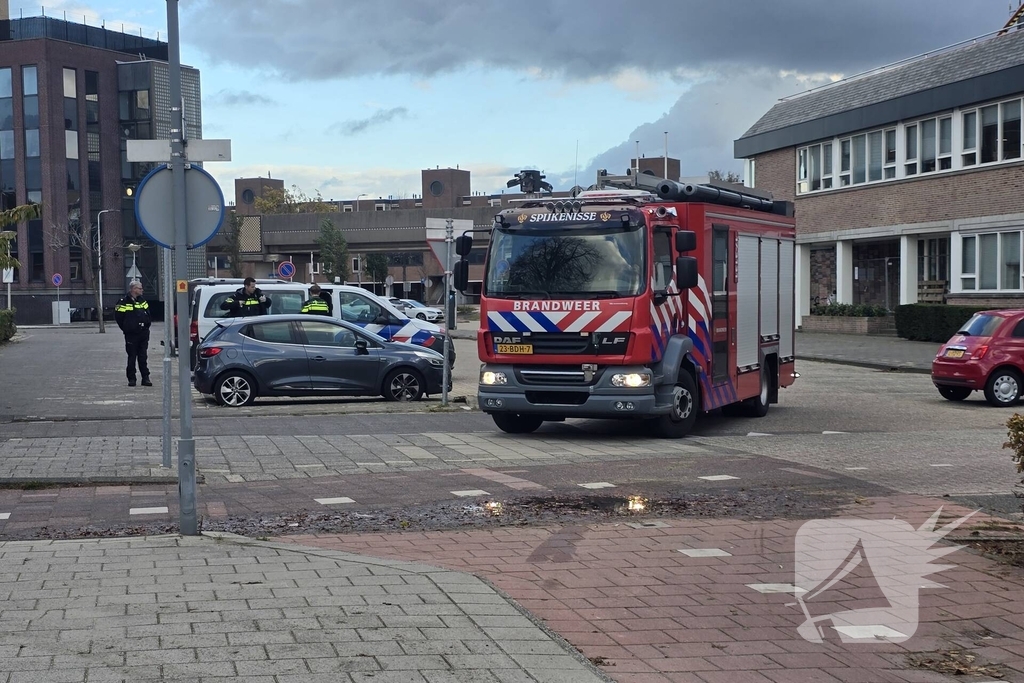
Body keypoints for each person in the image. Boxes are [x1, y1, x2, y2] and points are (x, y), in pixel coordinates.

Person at [114, 280, 152, 387]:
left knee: (143, 356)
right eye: (140, 288)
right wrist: (127, 328)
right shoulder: (123, 301)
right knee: (132, 357)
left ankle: (145, 378)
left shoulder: (142, 301)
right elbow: (119, 317)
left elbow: (148, 314)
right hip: (131, 334)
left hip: (143, 333)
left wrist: (146, 326)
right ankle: (132, 378)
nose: (142, 290)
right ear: (133, 289)